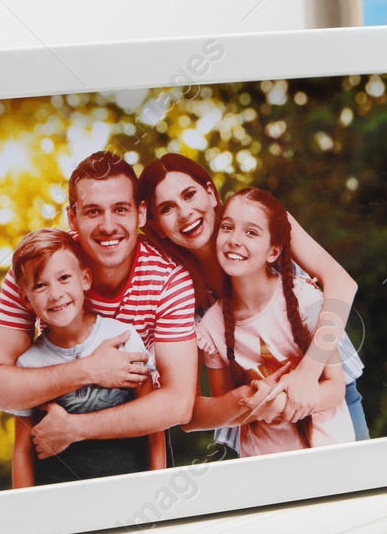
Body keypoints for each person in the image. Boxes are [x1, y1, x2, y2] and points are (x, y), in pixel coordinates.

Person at [0, 152, 219, 462]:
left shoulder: (169, 279)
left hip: (130, 445)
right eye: (92, 212)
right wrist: (89, 370)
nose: (108, 225)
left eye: (120, 209)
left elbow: (178, 404)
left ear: (141, 214)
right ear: (72, 218)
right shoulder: (38, 271)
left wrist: (75, 428)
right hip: (55, 451)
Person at [135, 153, 369, 443]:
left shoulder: (260, 216)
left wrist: (307, 375)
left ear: (210, 193)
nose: (184, 213)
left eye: (190, 194)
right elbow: (190, 413)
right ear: (156, 225)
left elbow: (341, 283)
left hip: (327, 391)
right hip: (264, 427)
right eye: (168, 208)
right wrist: (253, 401)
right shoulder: (177, 289)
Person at [184, 189, 354, 455]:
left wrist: (281, 402)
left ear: (274, 251)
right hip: (262, 459)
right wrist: (255, 403)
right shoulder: (211, 328)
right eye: (227, 228)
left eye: (251, 232)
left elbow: (335, 389)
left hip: (328, 449)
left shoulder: (304, 298)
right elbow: (223, 409)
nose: (234, 240)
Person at [4, 229, 166, 487]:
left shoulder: (121, 338)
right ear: (26, 299)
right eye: (40, 285)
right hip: (61, 500)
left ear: (85, 279)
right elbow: (22, 451)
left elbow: (154, 428)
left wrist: (159, 486)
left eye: (64, 278)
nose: (55, 293)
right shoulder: (29, 365)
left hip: (130, 490)